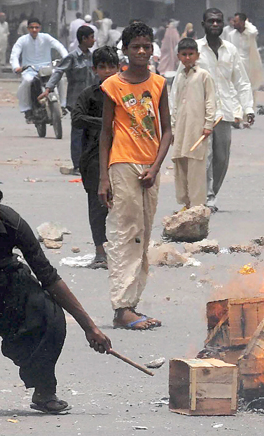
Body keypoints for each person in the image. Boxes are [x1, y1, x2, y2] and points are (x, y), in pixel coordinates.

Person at [0, 174, 112, 414]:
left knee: (48, 313)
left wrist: (89, 327)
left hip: (3, 281)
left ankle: (44, 391)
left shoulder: (11, 222)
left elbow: (48, 276)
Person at [98, 21, 172, 331]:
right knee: (124, 234)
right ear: (125, 51)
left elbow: (167, 131)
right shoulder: (113, 86)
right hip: (123, 163)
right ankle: (122, 308)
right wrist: (104, 179)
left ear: (152, 48)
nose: (141, 51)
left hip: (149, 167)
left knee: (142, 235)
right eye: (135, 46)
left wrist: (155, 169)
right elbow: (104, 134)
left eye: (146, 45)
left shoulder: (159, 84)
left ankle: (131, 303)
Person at [195, 8, 255, 211]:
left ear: (223, 25)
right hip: (200, 111)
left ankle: (213, 191)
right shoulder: (194, 49)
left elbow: (242, 81)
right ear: (203, 24)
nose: (214, 25)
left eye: (218, 22)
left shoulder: (230, 50)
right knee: (206, 156)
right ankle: (207, 196)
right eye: (210, 21)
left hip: (225, 111)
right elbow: (180, 81)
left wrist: (248, 108)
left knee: (221, 156)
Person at [72, 46, 120, 270]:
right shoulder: (89, 95)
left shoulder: (125, 93)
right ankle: (100, 252)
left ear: (119, 67)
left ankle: (122, 250)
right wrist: (105, 124)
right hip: (93, 159)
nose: (108, 71)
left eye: (112, 66)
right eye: (102, 67)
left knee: (123, 205)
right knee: (97, 205)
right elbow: (77, 118)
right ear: (94, 69)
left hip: (121, 155)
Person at [42, 25, 97, 175]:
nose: (94, 40)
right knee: (78, 133)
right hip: (76, 100)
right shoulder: (72, 57)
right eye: (91, 37)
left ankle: (89, 164)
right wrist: (48, 88)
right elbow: (59, 71)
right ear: (84, 39)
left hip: (92, 99)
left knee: (92, 133)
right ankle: (77, 165)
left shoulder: (93, 57)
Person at [169, 38, 217, 209]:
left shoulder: (203, 76)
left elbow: (211, 101)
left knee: (196, 168)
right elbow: (174, 103)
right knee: (180, 165)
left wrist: (208, 124)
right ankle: (186, 203)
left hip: (197, 130)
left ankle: (197, 206)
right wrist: (172, 128)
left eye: (191, 54)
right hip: (181, 129)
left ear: (197, 55)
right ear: (178, 56)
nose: (187, 58)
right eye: (184, 54)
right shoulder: (180, 77)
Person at [10, 17, 68, 123]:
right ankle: (26, 109)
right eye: (31, 27)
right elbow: (15, 54)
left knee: (60, 79)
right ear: (28, 28)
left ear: (40, 28)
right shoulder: (22, 40)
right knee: (27, 82)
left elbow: (59, 47)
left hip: (47, 68)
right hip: (29, 69)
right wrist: (16, 67)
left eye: (36, 27)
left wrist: (67, 59)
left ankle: (63, 105)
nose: (34, 30)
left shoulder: (46, 37)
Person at [224, 12, 263, 93]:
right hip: (236, 66)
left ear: (242, 22)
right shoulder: (231, 35)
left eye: (235, 21)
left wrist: (247, 23)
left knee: (250, 89)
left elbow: (254, 31)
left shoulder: (249, 34)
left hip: (249, 65)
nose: (233, 23)